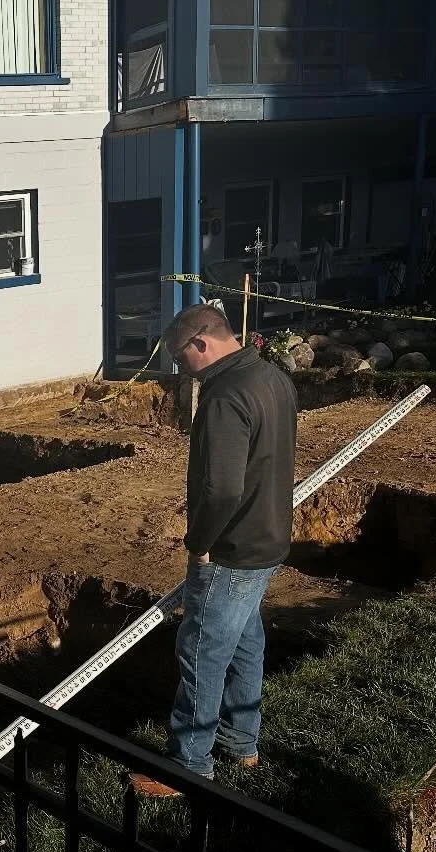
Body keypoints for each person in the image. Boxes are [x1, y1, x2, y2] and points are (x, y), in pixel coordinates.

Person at [131, 303, 298, 797]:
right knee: (245, 643)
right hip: (267, 539)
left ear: (201, 343)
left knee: (202, 650)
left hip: (230, 548)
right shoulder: (273, 379)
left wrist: (199, 543)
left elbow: (221, 489)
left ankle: (189, 766)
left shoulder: (225, 397)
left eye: (180, 359)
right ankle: (241, 744)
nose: (180, 371)